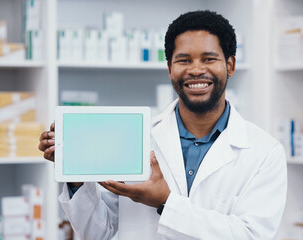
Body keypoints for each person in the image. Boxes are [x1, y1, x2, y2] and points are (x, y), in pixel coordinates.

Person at [39, 10, 287, 240]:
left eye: (209, 58)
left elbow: (252, 235)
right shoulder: (138, 138)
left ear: (230, 65)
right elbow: (98, 232)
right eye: (184, 60)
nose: (196, 70)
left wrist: (166, 203)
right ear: (169, 68)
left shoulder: (264, 153)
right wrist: (74, 173)